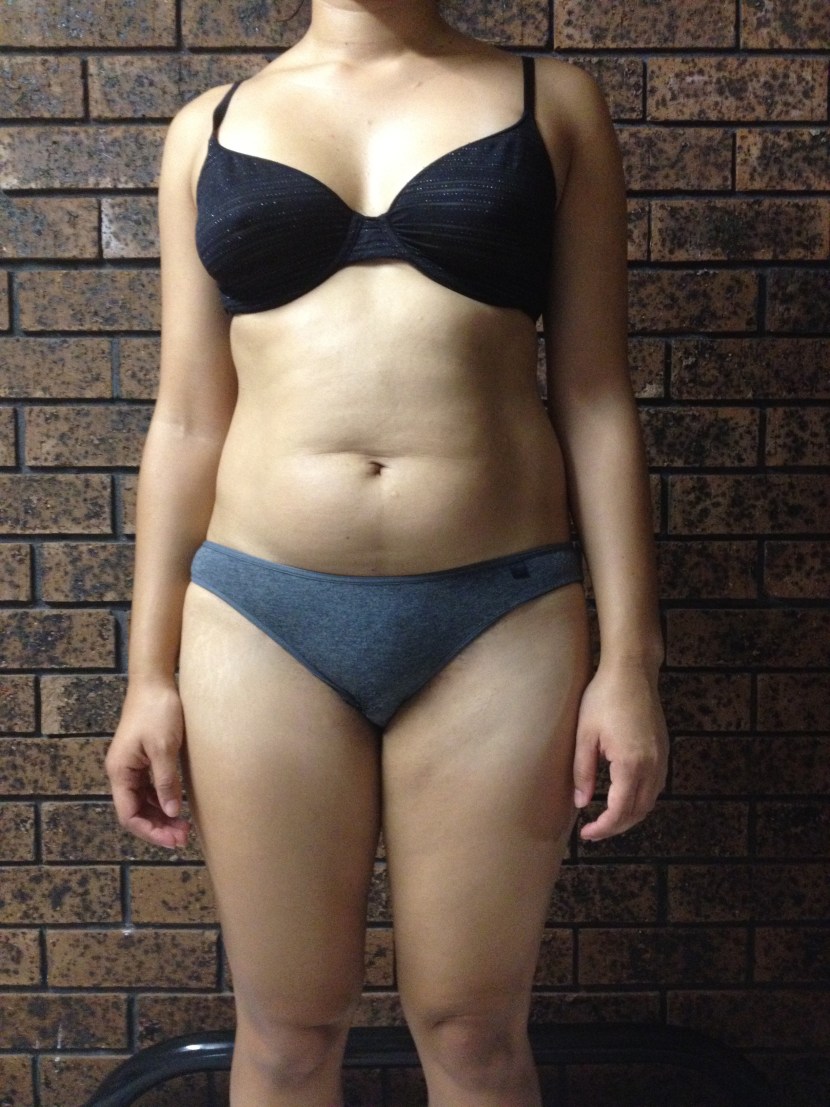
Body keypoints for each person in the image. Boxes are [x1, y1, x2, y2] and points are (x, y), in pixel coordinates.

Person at [106, 2, 669, 1105]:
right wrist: (149, 675)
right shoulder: (207, 130)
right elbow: (186, 420)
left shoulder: (550, 105)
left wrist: (630, 662)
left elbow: (597, 399)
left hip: (499, 617)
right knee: (286, 1032)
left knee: (472, 1034)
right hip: (258, 615)